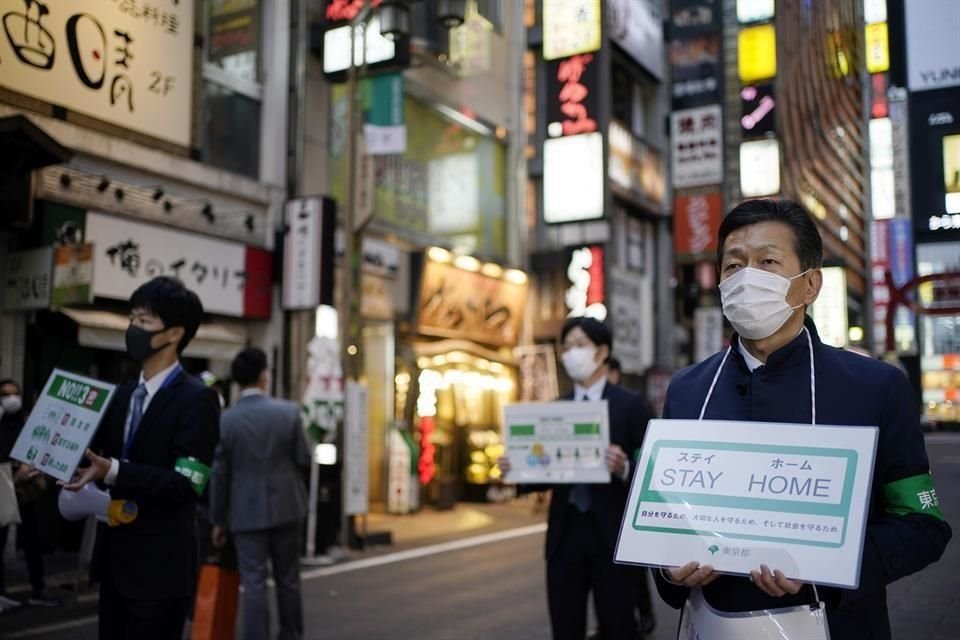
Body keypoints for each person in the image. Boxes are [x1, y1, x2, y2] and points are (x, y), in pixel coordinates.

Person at [654, 199, 952, 638]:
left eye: (767, 262)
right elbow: (662, 516)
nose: (746, 277)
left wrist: (828, 566)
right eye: (733, 265)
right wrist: (667, 569)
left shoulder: (875, 387)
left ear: (810, 284)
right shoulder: (687, 390)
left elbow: (923, 524)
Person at [64, 276, 219, 639]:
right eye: (131, 319)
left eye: (144, 321)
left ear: (175, 333)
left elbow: (186, 485)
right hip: (115, 563)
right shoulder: (121, 395)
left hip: (162, 568)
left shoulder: (198, 399)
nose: (133, 328)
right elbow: (90, 455)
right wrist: (43, 461)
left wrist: (115, 471)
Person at [500, 317, 653, 640]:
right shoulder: (556, 408)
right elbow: (545, 469)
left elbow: (652, 472)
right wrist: (516, 468)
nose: (571, 354)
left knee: (617, 627)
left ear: (602, 352)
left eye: (580, 345)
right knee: (565, 626)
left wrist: (624, 468)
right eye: (567, 347)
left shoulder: (631, 405)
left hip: (612, 536)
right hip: (565, 534)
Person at [210, 347, 310, 640]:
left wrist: (218, 519)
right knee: (288, 579)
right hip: (288, 506)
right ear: (264, 376)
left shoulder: (226, 421)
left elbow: (220, 475)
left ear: (237, 381)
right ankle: (291, 635)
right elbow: (304, 458)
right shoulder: (289, 412)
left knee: (253, 583)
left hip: (245, 511)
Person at [0, 379, 63, 610]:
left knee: (32, 540)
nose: (11, 398)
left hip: (26, 489)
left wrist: (30, 465)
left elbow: (39, 446)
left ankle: (39, 588)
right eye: (5, 394)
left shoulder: (27, 422)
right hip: (4, 486)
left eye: (15, 393)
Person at [604, 359, 656, 636]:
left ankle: (644, 613)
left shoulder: (632, 404)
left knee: (634, 570)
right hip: (604, 510)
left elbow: (646, 457)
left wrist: (626, 467)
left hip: (628, 504)